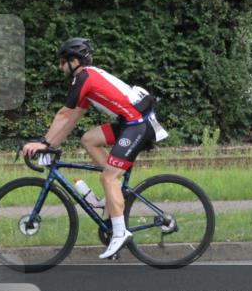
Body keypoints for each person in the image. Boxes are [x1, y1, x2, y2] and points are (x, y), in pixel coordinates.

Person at [22, 38, 160, 259]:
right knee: (88, 139)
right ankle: (114, 199)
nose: (60, 67)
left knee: (108, 178)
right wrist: (51, 144)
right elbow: (73, 116)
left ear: (74, 61)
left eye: (62, 62)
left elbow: (64, 114)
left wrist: (44, 144)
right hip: (130, 123)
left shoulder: (84, 78)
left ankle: (120, 232)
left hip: (138, 126)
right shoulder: (87, 80)